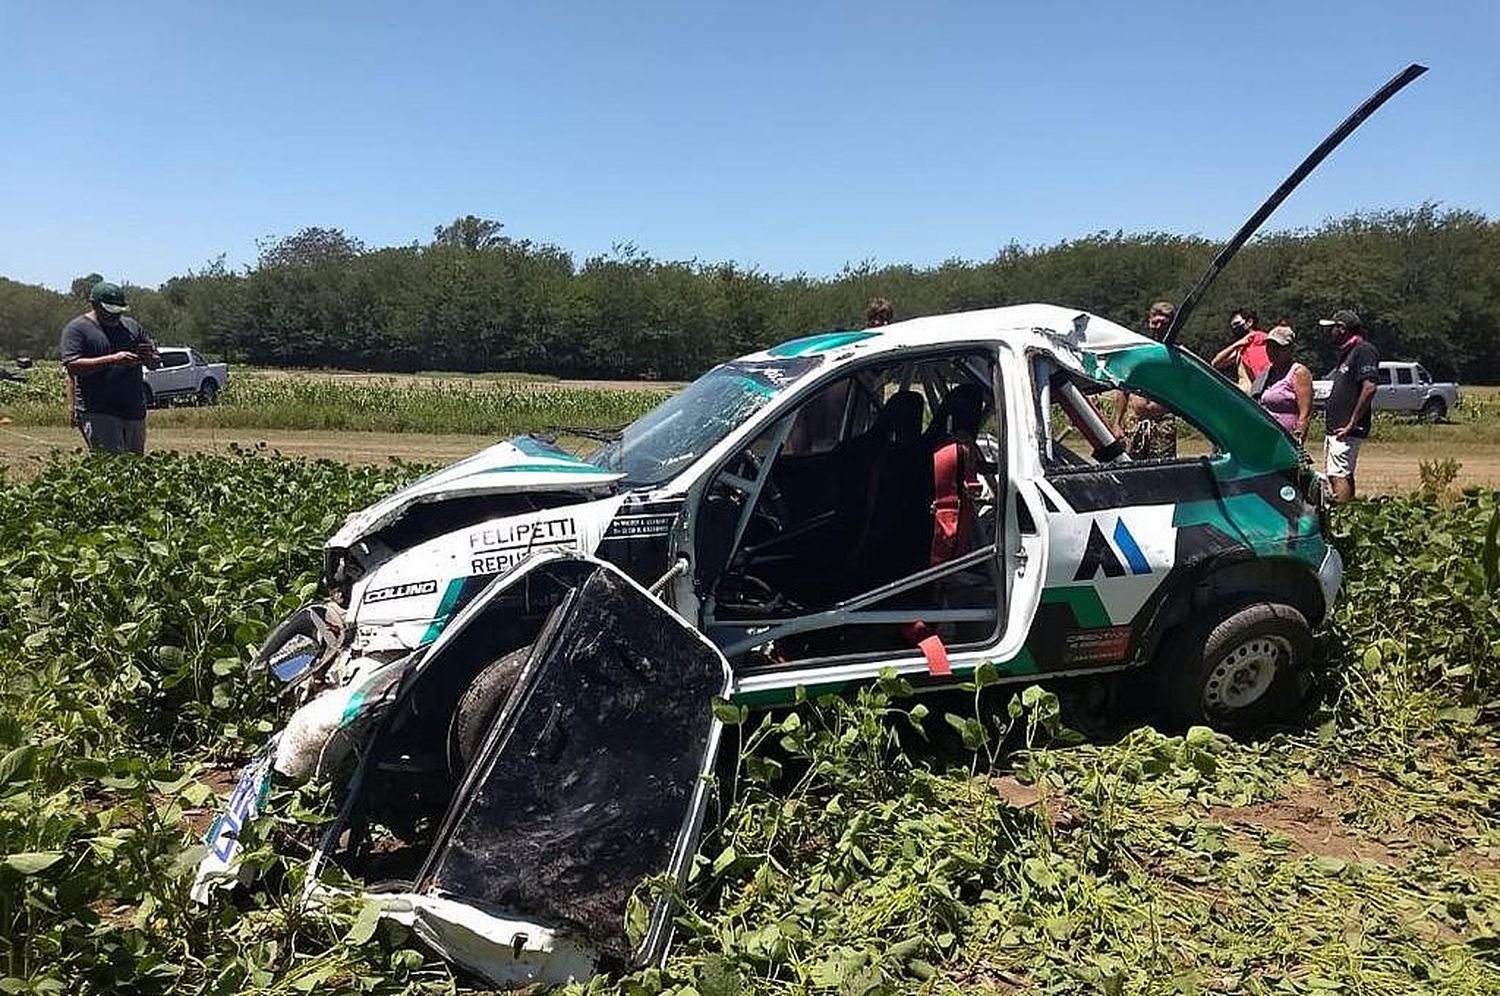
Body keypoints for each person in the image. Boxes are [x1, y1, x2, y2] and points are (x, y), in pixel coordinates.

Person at [59, 281, 161, 454]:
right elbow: (73, 365)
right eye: (110, 311)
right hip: (98, 410)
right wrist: (113, 360)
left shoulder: (132, 327)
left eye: (119, 311)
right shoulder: (77, 329)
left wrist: (149, 358)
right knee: (110, 466)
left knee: (136, 468)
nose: (115, 316)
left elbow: (155, 362)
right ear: (95, 305)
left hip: (134, 409)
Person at [1319, 308, 1378, 503]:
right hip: (1337, 427)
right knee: (1337, 472)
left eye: (1333, 328)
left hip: (1346, 428)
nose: (1330, 332)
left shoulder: (1364, 350)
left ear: (1342, 329)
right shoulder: (1347, 353)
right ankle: (1350, 510)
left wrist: (1352, 422)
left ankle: (1341, 516)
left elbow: (1369, 387)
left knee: (1338, 474)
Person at [1111, 300, 1177, 459]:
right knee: (1130, 465)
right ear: (1149, 322)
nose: (1159, 326)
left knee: (1163, 468)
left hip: (1163, 421)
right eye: (1156, 322)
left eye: (1164, 323)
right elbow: (1123, 387)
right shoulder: (1138, 351)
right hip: (1135, 421)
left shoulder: (1177, 354)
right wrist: (1116, 423)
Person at [1251, 324, 1312, 446]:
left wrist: (1298, 439)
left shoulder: (1299, 373)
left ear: (1290, 349)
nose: (1272, 351)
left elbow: (1305, 413)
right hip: (1265, 437)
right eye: (1269, 347)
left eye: (1278, 347)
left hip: (1286, 440)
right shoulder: (1266, 373)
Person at [1210, 308, 1270, 393]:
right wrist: (1237, 344)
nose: (1235, 328)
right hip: (1241, 391)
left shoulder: (1261, 340)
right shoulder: (1240, 348)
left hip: (1252, 394)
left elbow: (1261, 368)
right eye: (1233, 326)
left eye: (1237, 324)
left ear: (1249, 322)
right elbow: (1215, 363)